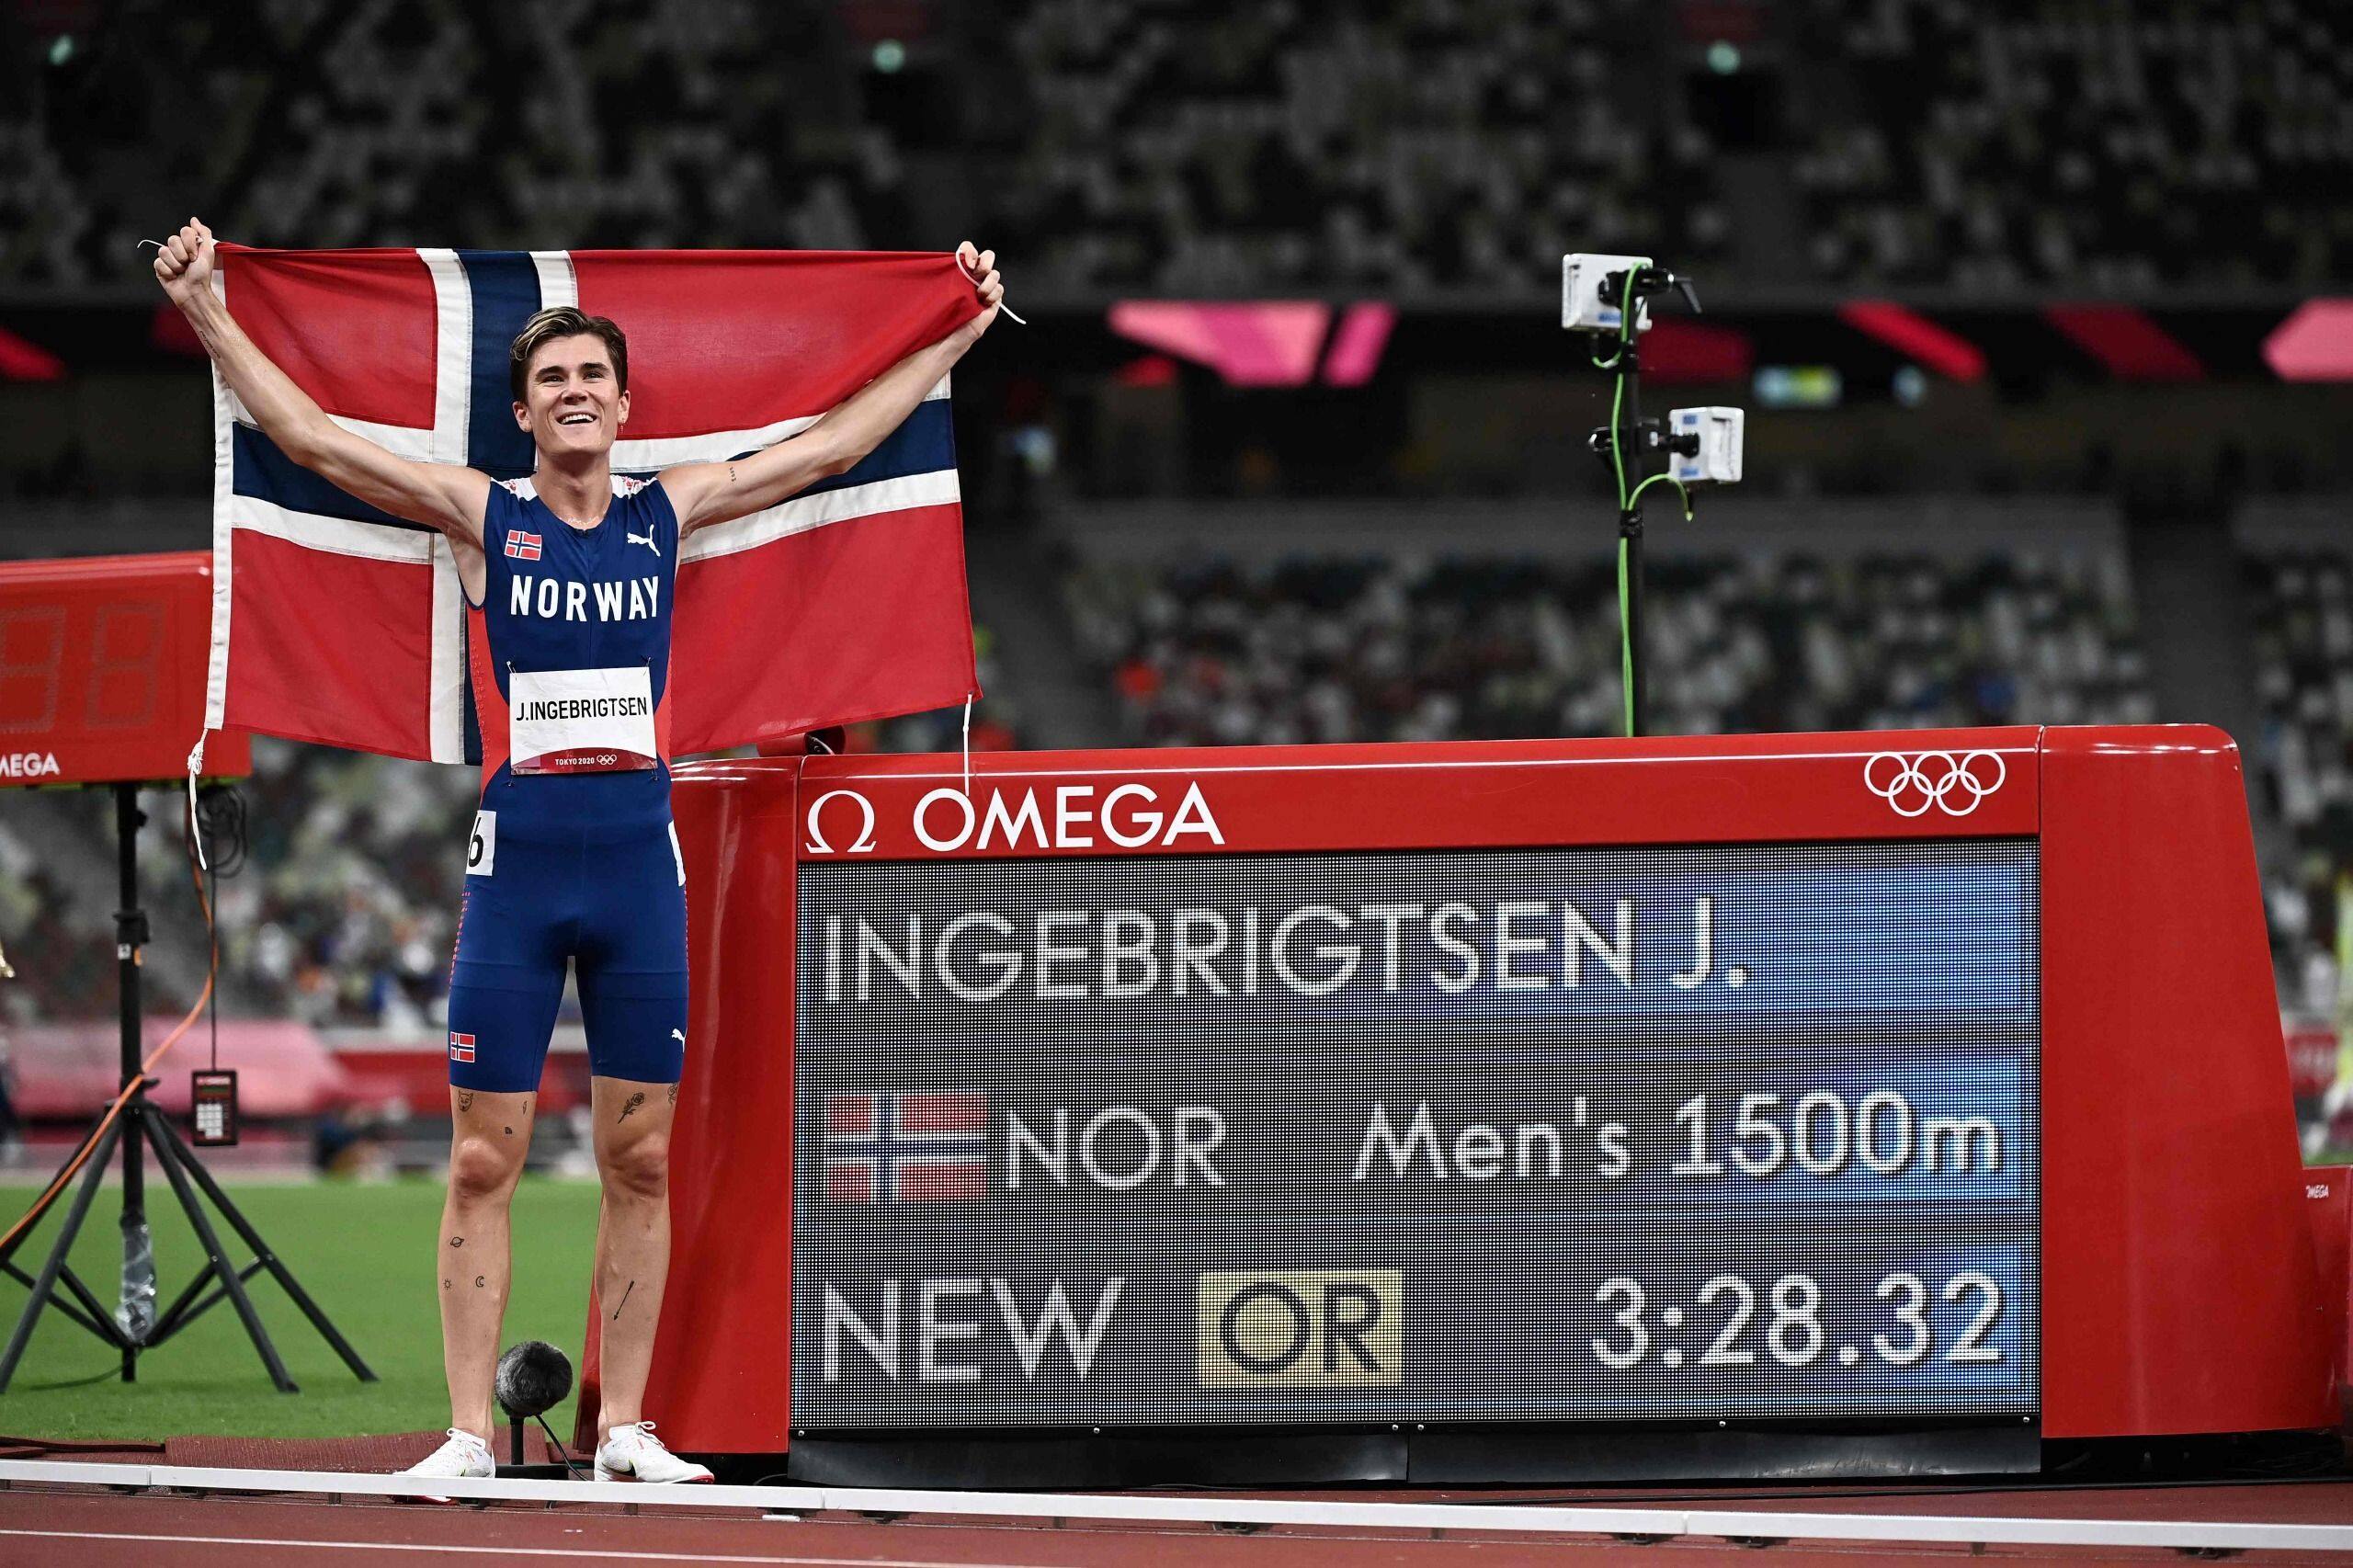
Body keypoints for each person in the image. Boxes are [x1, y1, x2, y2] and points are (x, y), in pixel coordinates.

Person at [153, 218, 1003, 1487]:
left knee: (643, 1156)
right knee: (484, 1154)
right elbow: (316, 441)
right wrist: (214, 312)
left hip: (636, 871)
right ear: (523, 409)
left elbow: (833, 444)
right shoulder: (480, 516)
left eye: (593, 375)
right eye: (552, 379)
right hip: (521, 869)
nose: (575, 392)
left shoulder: (675, 507)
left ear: (623, 400)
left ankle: (626, 1431)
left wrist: (956, 329)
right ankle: (463, 1433)